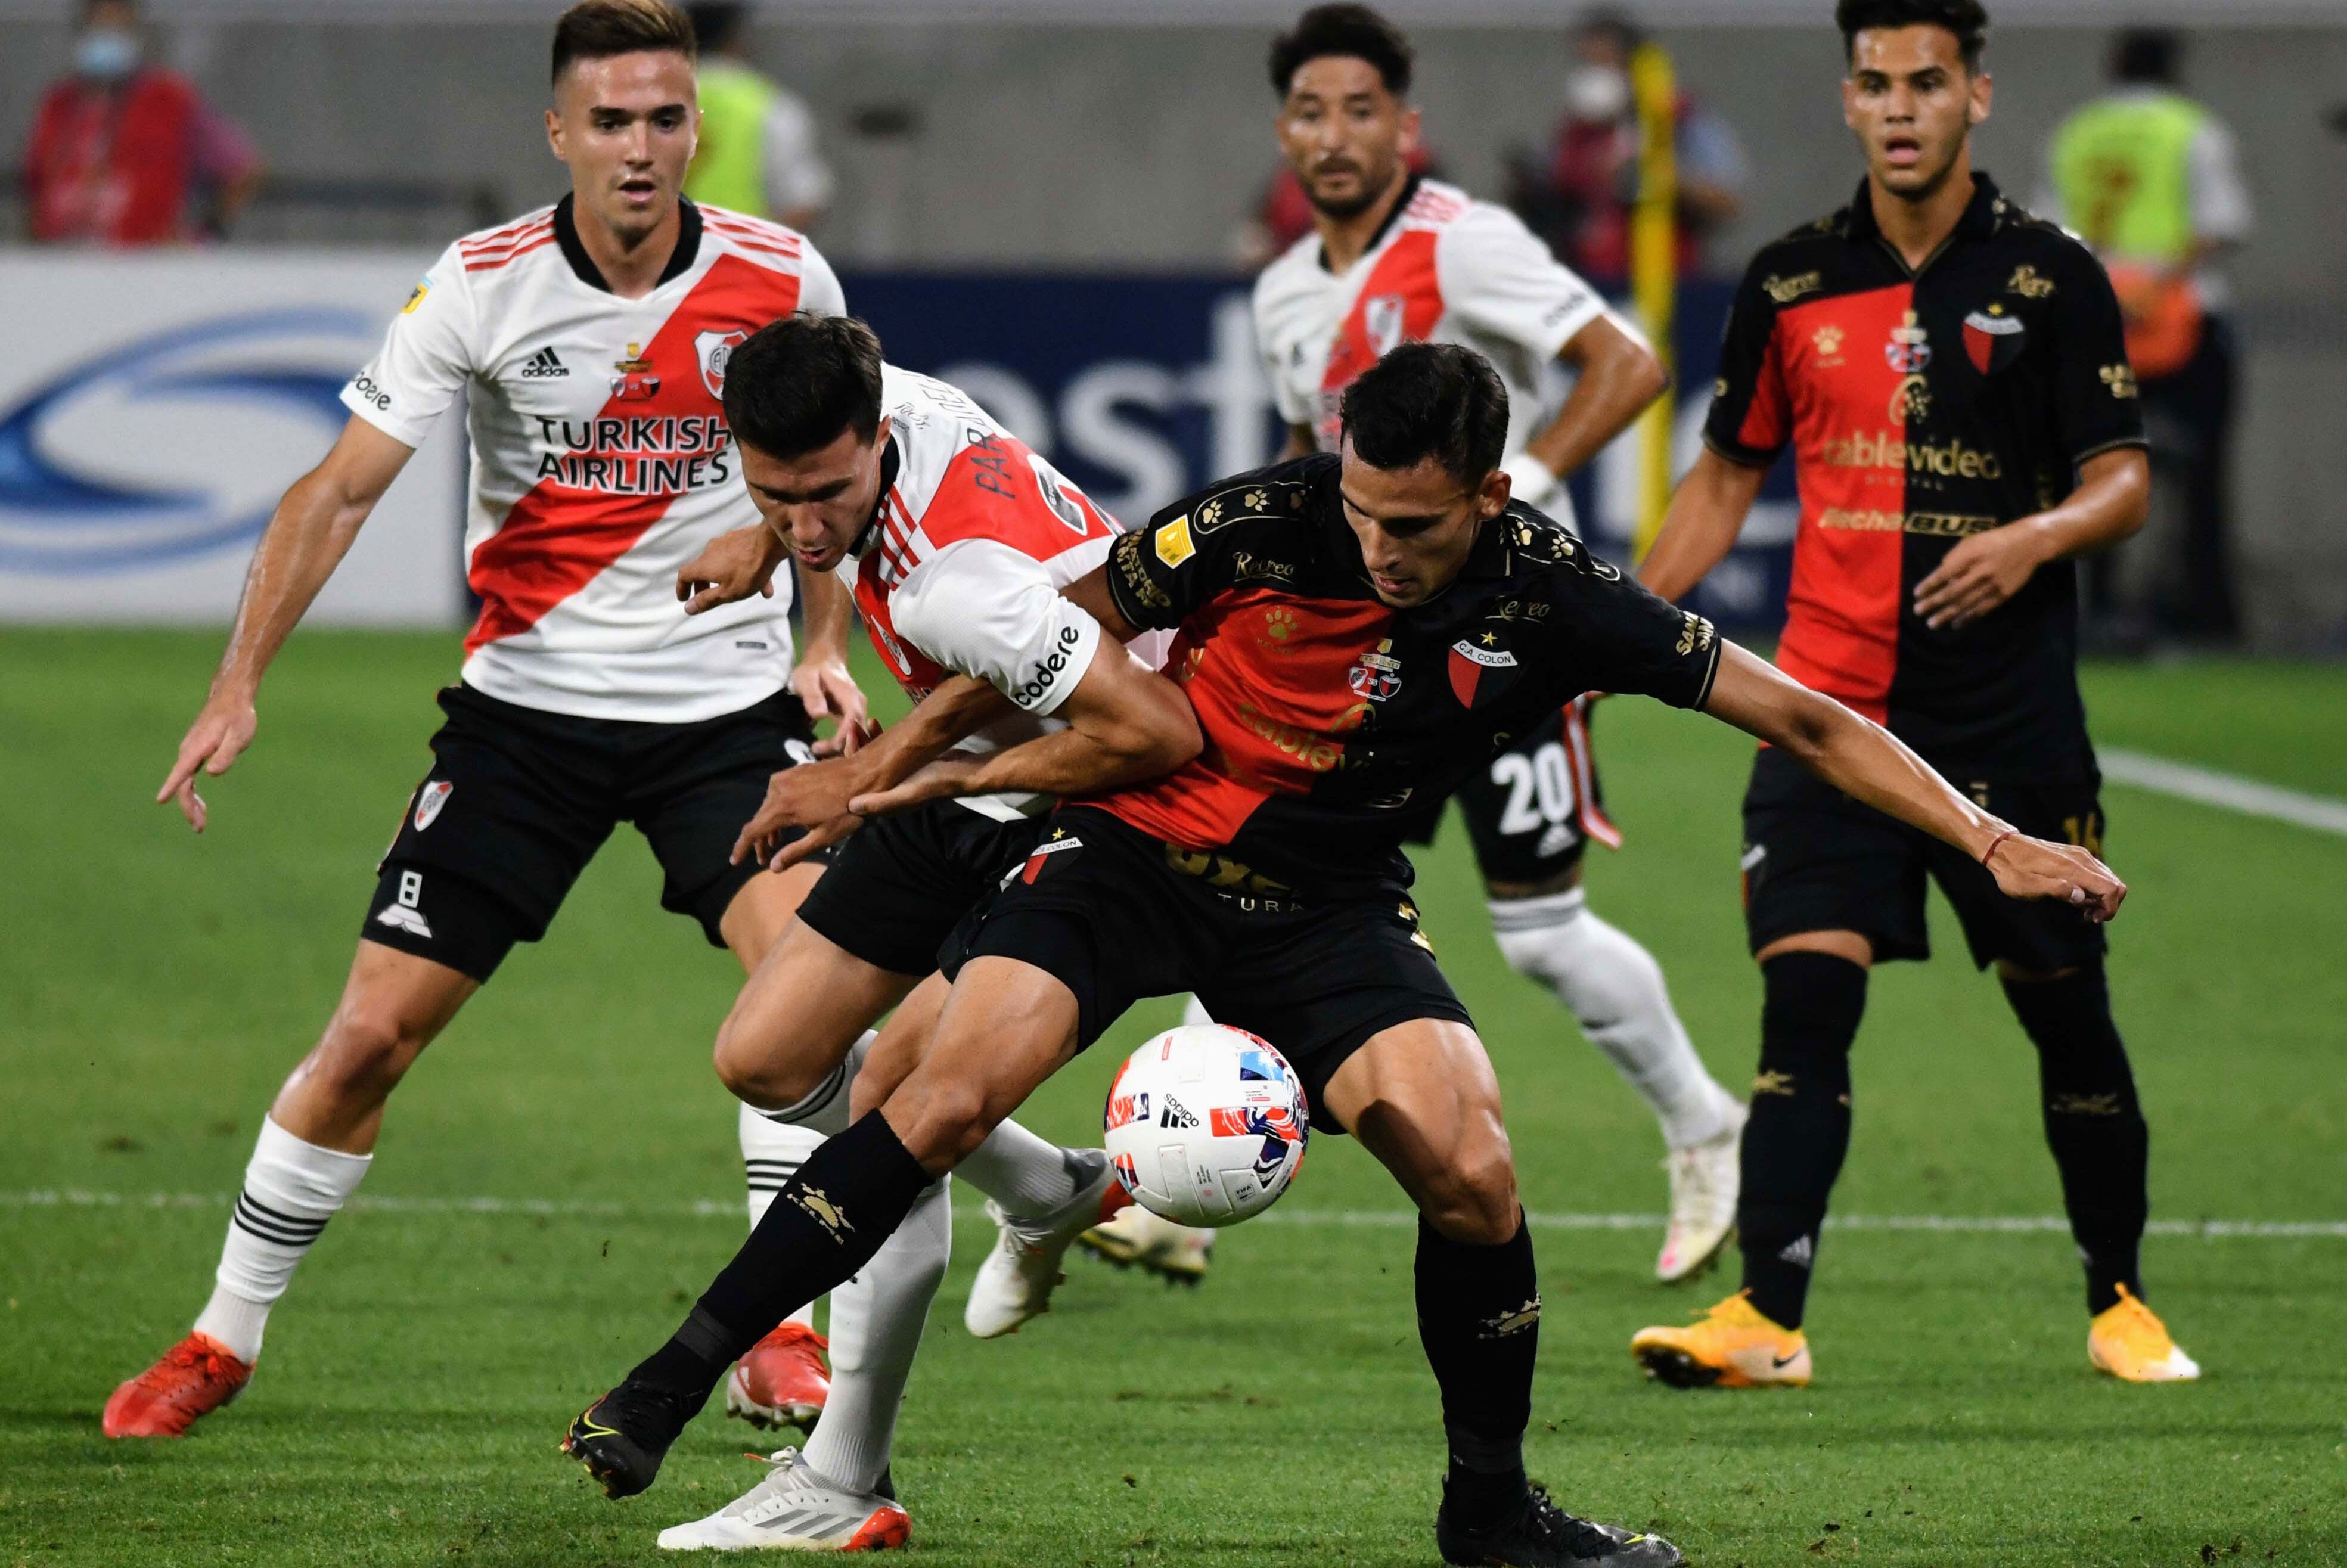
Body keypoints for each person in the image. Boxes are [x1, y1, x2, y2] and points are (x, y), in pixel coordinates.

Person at [565, 340, 2128, 1568]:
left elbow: (1796, 713)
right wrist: (875, 767)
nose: (1380, 547)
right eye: (1366, 512)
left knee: (1470, 1158)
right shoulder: (1260, 518)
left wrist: (1990, 840)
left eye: (1418, 525)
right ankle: (674, 1371)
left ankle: (1489, 1507)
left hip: (1323, 897)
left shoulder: (1560, 595)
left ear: (1494, 492)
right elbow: (1058, 620)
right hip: (1134, 850)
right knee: (948, 1080)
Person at [96, 0, 1086, 1454]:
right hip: (522, 719)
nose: (640, 148)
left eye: (664, 118)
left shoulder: (775, 272)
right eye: (610, 122)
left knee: (804, 1002)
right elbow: (339, 488)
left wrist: (819, 645)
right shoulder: (483, 283)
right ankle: (219, 1335)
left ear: (696, 124)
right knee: (370, 1034)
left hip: (721, 718)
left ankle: (776, 1343)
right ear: (559, 132)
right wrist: (239, 675)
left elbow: (831, 483)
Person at [1111, 2, 1747, 1289]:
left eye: (1360, 111)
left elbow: (1623, 364)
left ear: (1406, 126)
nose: (1333, 137)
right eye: (1309, 112)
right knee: (1261, 861)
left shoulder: (1467, 242)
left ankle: (1703, 1122)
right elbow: (1309, 468)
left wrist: (1539, 488)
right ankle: (1184, 1188)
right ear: (1283, 128)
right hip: (1347, 656)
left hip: (1495, 645)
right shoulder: (1289, 288)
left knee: (1543, 931)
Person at [1628, 0, 2197, 1390]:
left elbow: (2120, 474)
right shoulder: (1785, 282)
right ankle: (1765, 1314)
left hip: (2005, 724)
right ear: (1846, 101)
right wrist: (1616, 627)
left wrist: (2032, 536)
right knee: (1803, 1004)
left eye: (1924, 82)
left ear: (1974, 95)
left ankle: (2118, 1295)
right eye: (1873, 82)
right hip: (1823, 706)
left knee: (2062, 1004)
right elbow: (1721, 480)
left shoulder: (2052, 278)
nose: (1898, 105)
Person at [596, 312, 1202, 1550]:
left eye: (826, 493)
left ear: (876, 439)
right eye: (776, 493)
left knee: (894, 1110)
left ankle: (843, 1478)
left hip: (1085, 798)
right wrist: (764, 549)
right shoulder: (875, 398)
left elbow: (1156, 730)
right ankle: (1047, 1187)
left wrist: (874, 788)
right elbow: (815, 514)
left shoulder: (960, 581)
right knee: (764, 1058)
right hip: (963, 764)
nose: (808, 521)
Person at [2042, 27, 2252, 646]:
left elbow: (2052, 232)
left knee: (2099, 467)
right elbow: (2219, 224)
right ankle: (2203, 612)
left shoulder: (2075, 132)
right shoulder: (2192, 127)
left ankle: (2101, 606)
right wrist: (2153, 286)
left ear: (2112, 66)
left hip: (2098, 320)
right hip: (2185, 318)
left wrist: (2111, 287)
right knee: (2202, 474)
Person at [1510, 8, 1747, 290]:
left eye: (1604, 64)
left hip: (1668, 284)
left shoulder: (1679, 120)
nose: (1594, 76)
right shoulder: (1575, 130)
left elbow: (1729, 201)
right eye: (1587, 65)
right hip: (1589, 283)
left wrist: (1656, 176)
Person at [23, 0, 263, 244]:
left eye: (117, 29)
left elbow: (241, 169)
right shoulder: (59, 104)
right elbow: (35, 185)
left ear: (134, 34)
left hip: (142, 265)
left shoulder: (170, 100)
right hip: (59, 262)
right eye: (98, 28)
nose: (107, 37)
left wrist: (206, 237)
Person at [681, 2, 834, 231]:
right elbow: (803, 202)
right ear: (736, 40)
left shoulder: (646, 100)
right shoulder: (769, 106)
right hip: (739, 261)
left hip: (657, 263)